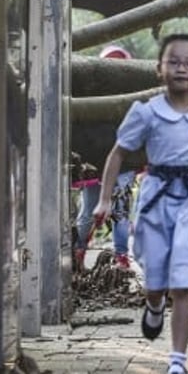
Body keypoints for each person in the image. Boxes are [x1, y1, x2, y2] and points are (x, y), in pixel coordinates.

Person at [93, 33, 188, 374]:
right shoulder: (146, 113)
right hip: (156, 196)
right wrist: (105, 199)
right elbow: (119, 152)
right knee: (156, 278)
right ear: (159, 69)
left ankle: (177, 360)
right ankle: (154, 305)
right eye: (174, 61)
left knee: (184, 281)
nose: (181, 68)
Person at [73, 45, 137, 270]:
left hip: (124, 165)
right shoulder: (87, 94)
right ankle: (78, 251)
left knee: (120, 211)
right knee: (89, 212)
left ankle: (121, 257)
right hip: (94, 166)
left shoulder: (134, 95)